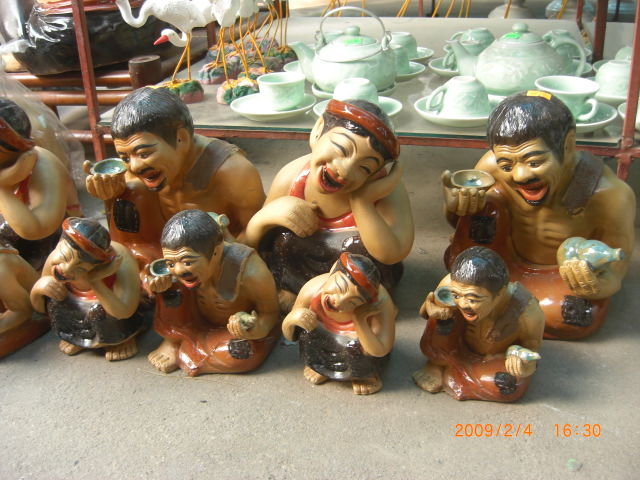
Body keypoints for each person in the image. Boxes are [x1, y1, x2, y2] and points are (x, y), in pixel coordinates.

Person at [442, 91, 635, 340]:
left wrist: (593, 283)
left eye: (534, 162)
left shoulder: (610, 196)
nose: (520, 176)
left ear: (568, 145)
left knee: (576, 316)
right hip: (499, 265)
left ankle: (509, 312)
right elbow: (461, 225)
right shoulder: (490, 169)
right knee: (488, 199)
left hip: (556, 279)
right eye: (507, 165)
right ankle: (505, 308)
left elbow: (616, 270)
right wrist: (456, 206)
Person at [245, 99, 414, 310]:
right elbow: (253, 242)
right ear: (318, 131)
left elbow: (391, 255)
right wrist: (268, 215)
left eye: (364, 168)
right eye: (342, 149)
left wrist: (362, 202)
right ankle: (295, 292)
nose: (345, 170)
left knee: (358, 249)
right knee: (283, 237)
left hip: (351, 289)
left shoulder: (386, 191)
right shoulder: (293, 176)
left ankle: (355, 306)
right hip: (297, 272)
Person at [84, 87, 265, 269]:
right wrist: (112, 194)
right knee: (130, 194)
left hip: (215, 263)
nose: (134, 166)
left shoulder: (233, 172)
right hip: (163, 259)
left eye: (144, 153)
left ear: (181, 138)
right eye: (125, 157)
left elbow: (257, 234)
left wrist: (222, 252)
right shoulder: (135, 170)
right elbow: (128, 235)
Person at [146, 209, 280, 376]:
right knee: (170, 290)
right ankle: (175, 340)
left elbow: (271, 314)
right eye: (171, 263)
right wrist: (159, 285)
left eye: (187, 262)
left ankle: (187, 349)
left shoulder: (251, 271)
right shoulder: (179, 269)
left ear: (216, 252)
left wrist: (255, 329)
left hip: (230, 333)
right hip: (196, 323)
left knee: (241, 353)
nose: (179, 270)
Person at [413, 247, 545, 402]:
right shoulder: (449, 286)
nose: (463, 304)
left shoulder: (527, 311)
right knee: (442, 317)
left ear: (500, 294)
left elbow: (532, 350)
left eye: (472, 299)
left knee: (507, 385)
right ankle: (437, 363)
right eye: (457, 295)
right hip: (457, 346)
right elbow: (428, 311)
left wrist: (522, 362)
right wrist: (433, 309)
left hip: (494, 357)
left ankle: (452, 372)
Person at [0, 98, 73, 355]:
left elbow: (35, 229)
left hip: (42, 262)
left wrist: (2, 190)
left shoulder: (42, 164)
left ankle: (22, 311)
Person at [282, 253, 396, 395]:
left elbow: (380, 350)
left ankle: (365, 377)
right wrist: (292, 319)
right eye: (339, 287)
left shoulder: (379, 305)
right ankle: (320, 367)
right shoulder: (312, 289)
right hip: (324, 337)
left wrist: (360, 321)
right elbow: (290, 335)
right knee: (307, 332)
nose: (339, 302)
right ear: (333, 270)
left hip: (356, 344)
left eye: (352, 302)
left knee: (359, 349)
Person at [30, 218, 143, 361]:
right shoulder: (54, 260)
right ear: (59, 243)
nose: (67, 269)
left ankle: (122, 341)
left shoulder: (119, 262)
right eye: (65, 257)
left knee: (100, 311)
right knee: (54, 296)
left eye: (81, 269)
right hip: (77, 309)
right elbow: (40, 309)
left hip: (108, 311)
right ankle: (75, 337)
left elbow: (124, 312)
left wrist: (95, 281)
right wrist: (37, 289)